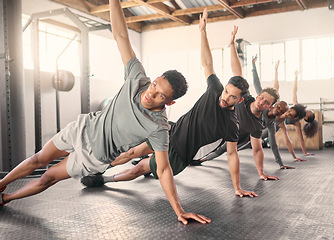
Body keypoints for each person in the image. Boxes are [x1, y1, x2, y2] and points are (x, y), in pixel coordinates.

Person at [0, 0, 210, 225]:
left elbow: (164, 169)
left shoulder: (159, 128)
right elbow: (120, 35)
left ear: (169, 103)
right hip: (82, 129)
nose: (152, 93)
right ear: (155, 78)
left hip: (93, 157)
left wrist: (179, 210)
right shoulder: (137, 77)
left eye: (161, 96)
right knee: (38, 158)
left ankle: (5, 198)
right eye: (155, 85)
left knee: (48, 178)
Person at [81, 8, 258, 199]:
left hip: (180, 154)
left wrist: (237, 187)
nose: (225, 98)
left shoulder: (231, 124)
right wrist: (202, 31)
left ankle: (104, 181)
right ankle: (98, 168)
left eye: (232, 97)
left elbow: (232, 155)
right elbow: (207, 62)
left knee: (138, 168)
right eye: (226, 92)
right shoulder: (215, 89)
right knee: (132, 151)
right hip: (171, 131)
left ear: (240, 100)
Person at [192, 49, 281, 181]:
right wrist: (232, 45)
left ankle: (198, 160)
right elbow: (237, 72)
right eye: (261, 98)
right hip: (208, 126)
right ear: (257, 96)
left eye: (266, 102)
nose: (261, 103)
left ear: (270, 107)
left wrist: (261, 173)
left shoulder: (257, 125)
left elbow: (257, 150)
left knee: (216, 151)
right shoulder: (244, 97)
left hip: (227, 139)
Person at [252, 58, 307, 168]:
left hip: (260, 129)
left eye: (288, 114)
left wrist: (291, 158)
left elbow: (282, 142)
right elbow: (262, 86)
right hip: (250, 121)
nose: (287, 114)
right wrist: (255, 66)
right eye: (289, 111)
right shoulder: (269, 104)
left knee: (251, 140)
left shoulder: (280, 123)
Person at [284, 70, 318, 156]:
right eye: (308, 110)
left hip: (277, 123)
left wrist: (305, 153)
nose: (306, 111)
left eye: (308, 113)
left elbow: (301, 139)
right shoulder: (296, 106)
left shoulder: (297, 123)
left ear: (306, 118)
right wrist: (296, 77)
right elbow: (294, 91)